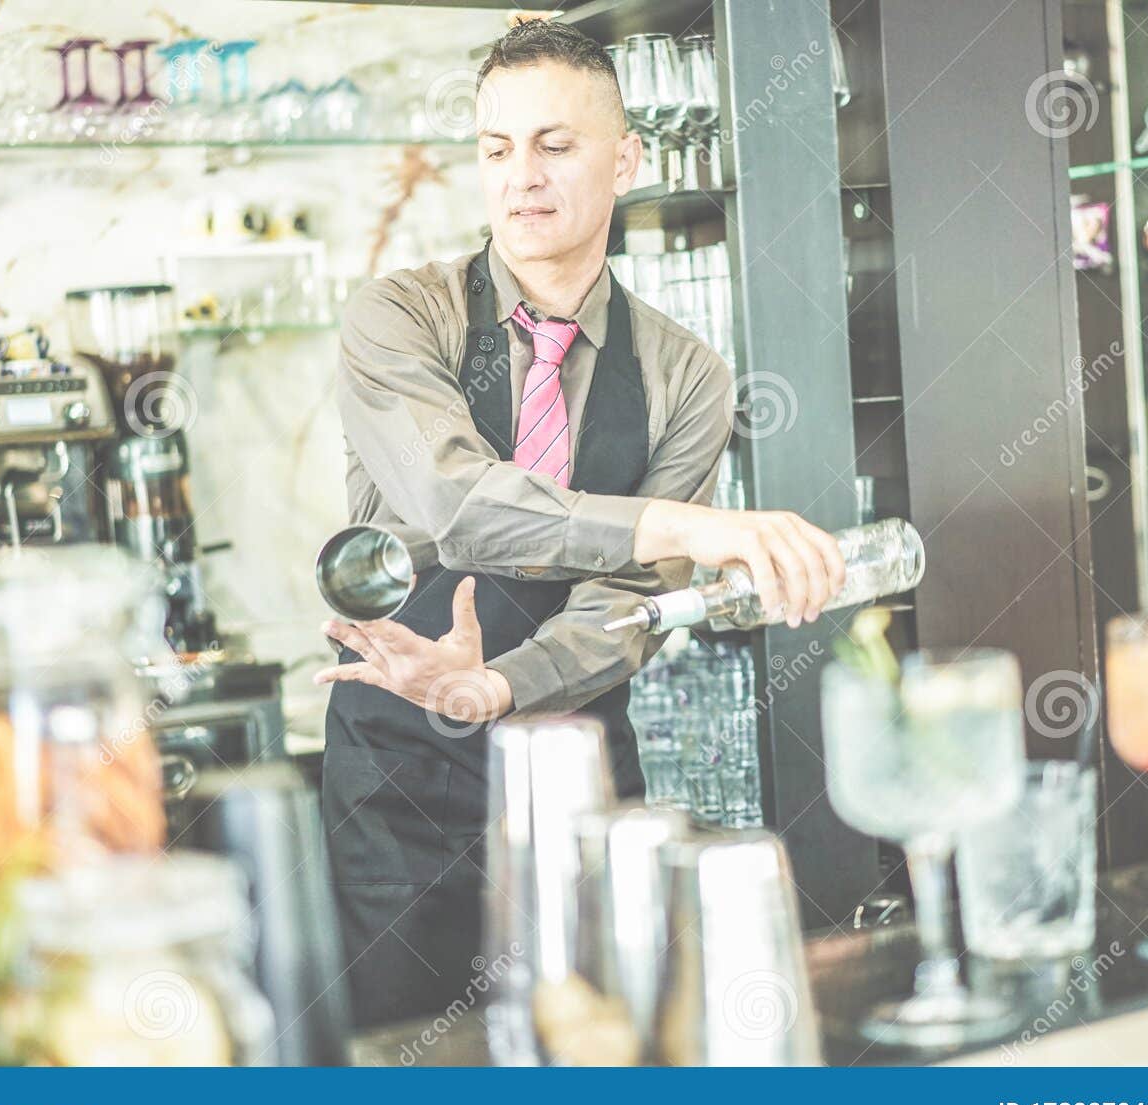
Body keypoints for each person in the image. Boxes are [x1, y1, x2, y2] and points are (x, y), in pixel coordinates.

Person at [317, 19, 845, 1028]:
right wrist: (689, 525)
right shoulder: (398, 317)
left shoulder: (684, 374)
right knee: (410, 1061)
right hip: (399, 768)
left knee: (601, 1039)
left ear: (626, 158)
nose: (522, 176)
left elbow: (623, 605)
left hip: (578, 756)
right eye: (496, 148)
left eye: (555, 144)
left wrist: (501, 683)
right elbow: (459, 505)